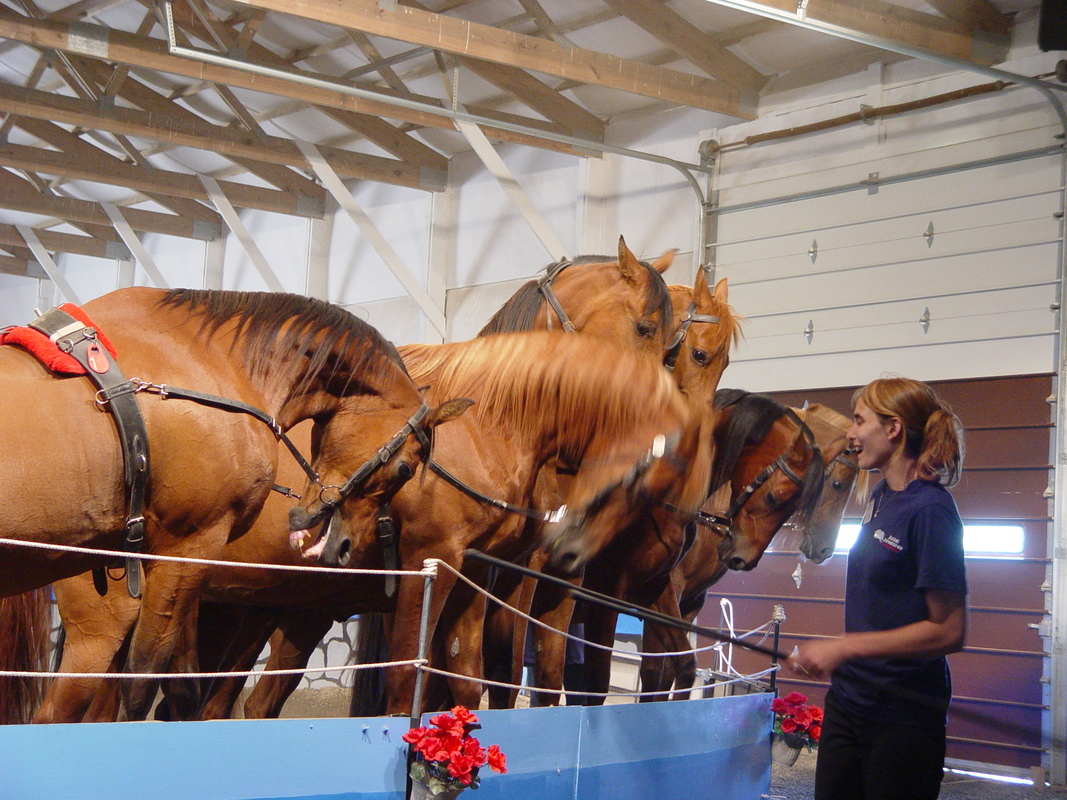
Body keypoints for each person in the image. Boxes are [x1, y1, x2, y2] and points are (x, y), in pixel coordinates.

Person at [787, 376, 967, 800]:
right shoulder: (881, 495)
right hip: (849, 702)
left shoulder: (931, 512)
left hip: (903, 715)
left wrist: (846, 647)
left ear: (893, 429)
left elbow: (948, 631)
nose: (851, 433)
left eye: (858, 420)